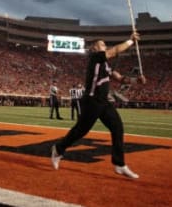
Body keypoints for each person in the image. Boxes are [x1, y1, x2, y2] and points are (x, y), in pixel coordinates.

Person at [51, 32, 145, 179]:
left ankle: (119, 164)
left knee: (117, 128)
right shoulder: (94, 58)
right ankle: (58, 148)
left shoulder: (105, 64)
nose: (105, 46)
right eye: (102, 44)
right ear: (95, 48)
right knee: (80, 131)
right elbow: (114, 51)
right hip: (91, 101)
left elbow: (119, 78)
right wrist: (131, 41)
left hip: (103, 102)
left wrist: (136, 81)